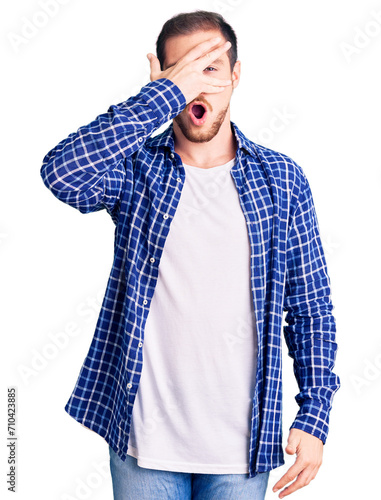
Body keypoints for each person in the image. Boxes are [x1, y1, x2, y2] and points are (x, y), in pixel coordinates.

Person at [40, 10, 340, 500]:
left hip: (242, 453)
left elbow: (310, 308)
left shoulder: (282, 180)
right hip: (143, 446)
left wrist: (315, 414)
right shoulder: (138, 171)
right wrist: (159, 98)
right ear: (161, 79)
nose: (198, 88)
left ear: (236, 76)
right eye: (184, 72)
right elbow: (63, 173)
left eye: (211, 69)